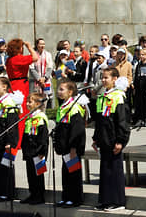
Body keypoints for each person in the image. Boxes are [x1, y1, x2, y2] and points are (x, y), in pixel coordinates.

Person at [92, 67, 130, 211]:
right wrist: (96, 138)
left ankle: (118, 201)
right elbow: (100, 120)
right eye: (102, 77)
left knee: (115, 171)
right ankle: (105, 200)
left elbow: (122, 121)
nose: (103, 80)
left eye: (106, 77)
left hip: (114, 140)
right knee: (105, 171)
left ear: (115, 79)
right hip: (104, 140)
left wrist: (121, 141)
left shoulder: (118, 96)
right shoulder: (103, 96)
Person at [53, 79, 87, 207]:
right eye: (59, 89)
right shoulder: (63, 107)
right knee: (65, 173)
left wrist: (73, 148)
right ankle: (66, 196)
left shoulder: (74, 108)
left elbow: (77, 131)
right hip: (64, 147)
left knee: (74, 174)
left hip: (72, 148)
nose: (59, 92)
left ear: (71, 91)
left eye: (62, 89)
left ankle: (75, 198)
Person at [0, 76, 22, 202]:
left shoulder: (9, 103)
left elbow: (12, 124)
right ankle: (1, 192)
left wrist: (10, 142)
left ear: (5, 87)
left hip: (7, 142)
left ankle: (8, 193)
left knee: (7, 167)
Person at [20, 93, 49, 205]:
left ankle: (39, 196)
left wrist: (42, 151)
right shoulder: (30, 117)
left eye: (30, 102)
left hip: (38, 152)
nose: (27, 104)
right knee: (30, 175)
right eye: (27, 102)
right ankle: (32, 194)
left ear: (37, 104)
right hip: (29, 152)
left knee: (38, 176)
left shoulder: (41, 118)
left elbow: (43, 137)